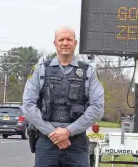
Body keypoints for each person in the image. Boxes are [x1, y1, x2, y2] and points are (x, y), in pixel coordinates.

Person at [22, 26, 105, 167]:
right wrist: (53, 133)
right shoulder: (40, 70)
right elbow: (28, 105)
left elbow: (98, 108)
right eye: (61, 39)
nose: (65, 43)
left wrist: (68, 131)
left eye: (69, 39)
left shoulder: (88, 72)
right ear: (55, 43)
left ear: (75, 43)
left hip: (76, 143)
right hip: (46, 141)